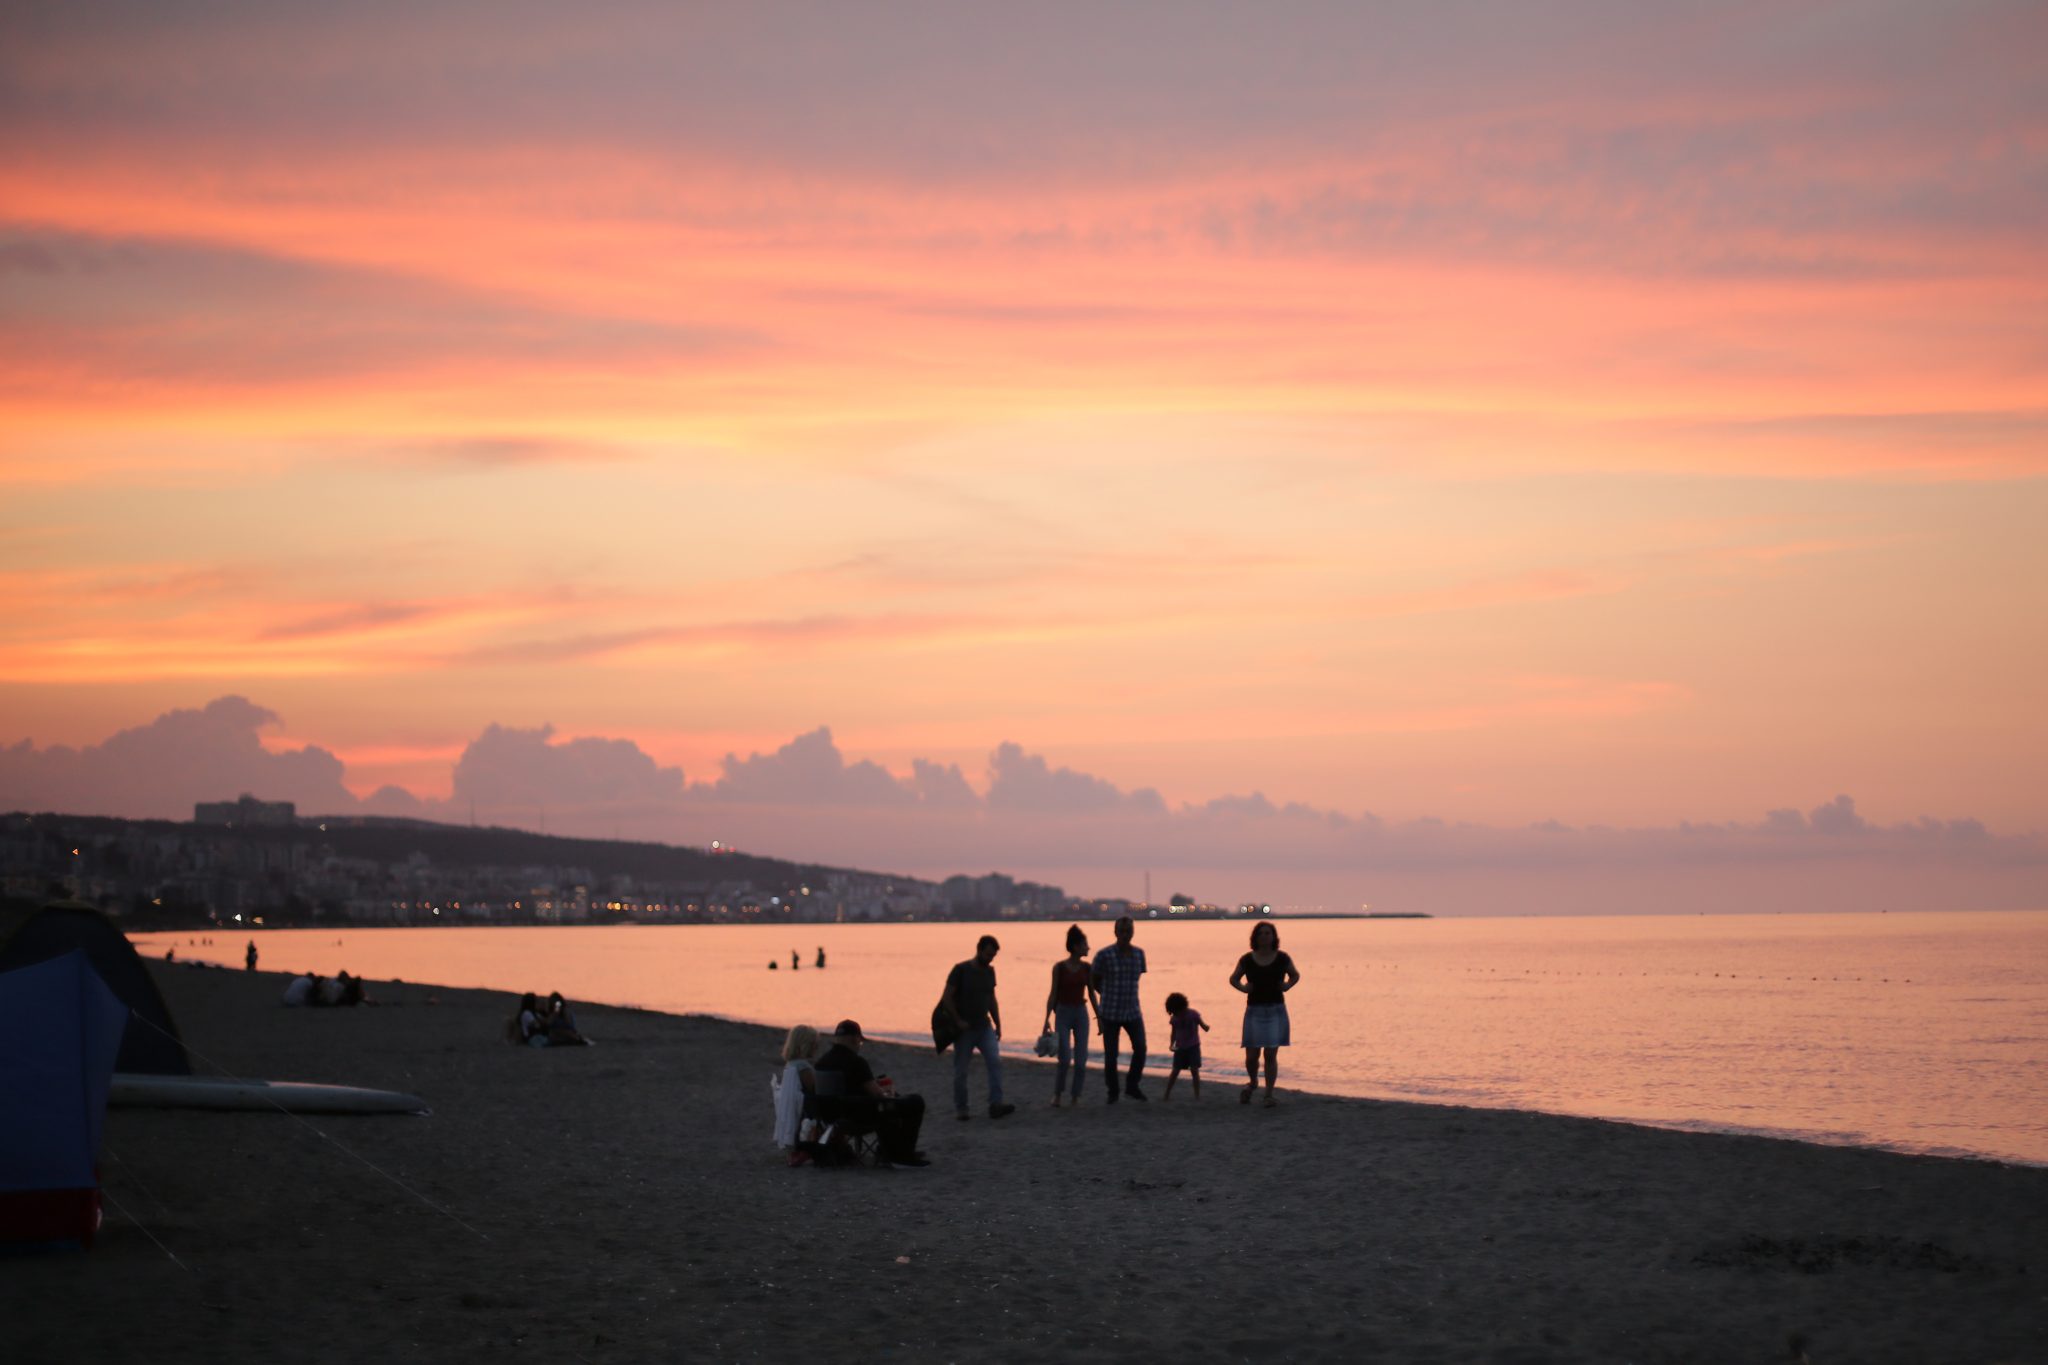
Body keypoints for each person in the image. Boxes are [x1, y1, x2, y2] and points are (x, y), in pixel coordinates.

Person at [812, 1019, 929, 1167]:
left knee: (896, 1103)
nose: (859, 1045)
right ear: (855, 1039)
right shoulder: (856, 1062)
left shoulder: (821, 1062)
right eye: (860, 1042)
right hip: (859, 1117)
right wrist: (888, 1092)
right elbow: (878, 1095)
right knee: (914, 1102)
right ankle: (902, 1155)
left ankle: (894, 1150)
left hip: (830, 1118)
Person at [942, 935, 1015, 1121]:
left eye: (993, 956)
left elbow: (991, 998)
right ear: (979, 950)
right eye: (989, 954)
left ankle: (995, 1104)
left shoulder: (990, 972)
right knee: (961, 1070)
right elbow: (947, 998)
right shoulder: (960, 970)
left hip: (984, 1026)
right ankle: (962, 1108)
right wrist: (958, 1021)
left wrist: (998, 1023)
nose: (990, 958)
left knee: (995, 1062)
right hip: (965, 1030)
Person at [1230, 921, 1301, 1107]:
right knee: (1252, 1057)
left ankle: (1268, 1094)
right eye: (1261, 933)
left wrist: (1287, 985)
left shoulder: (1282, 958)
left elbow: (1295, 975)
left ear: (1274, 937)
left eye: (1268, 933)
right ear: (1255, 937)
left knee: (1270, 1054)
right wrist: (1244, 988)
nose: (1265, 936)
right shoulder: (1247, 959)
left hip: (1275, 1009)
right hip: (1254, 1010)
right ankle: (1253, 1082)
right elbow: (1233, 978)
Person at [1090, 915, 1149, 1102]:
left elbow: (1137, 977)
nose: (1125, 935)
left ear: (1133, 933)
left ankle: (1132, 1085)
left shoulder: (1139, 954)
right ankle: (1113, 1091)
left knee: (1140, 1048)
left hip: (1132, 1010)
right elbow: (1094, 981)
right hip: (1110, 1012)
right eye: (1122, 931)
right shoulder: (1103, 955)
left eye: (1128, 931)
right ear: (1115, 932)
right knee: (1111, 1054)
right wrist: (1105, 993)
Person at [1042, 924, 1093, 1107]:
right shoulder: (1059, 968)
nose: (1088, 947)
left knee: (1081, 1059)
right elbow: (1053, 993)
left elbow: (1092, 994)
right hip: (1063, 1012)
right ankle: (1057, 1094)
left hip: (1081, 1013)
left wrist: (1099, 1018)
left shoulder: (1087, 968)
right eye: (1085, 944)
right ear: (1076, 946)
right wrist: (1046, 1019)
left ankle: (1075, 1096)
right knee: (1064, 1058)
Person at [772, 1024, 821, 1162]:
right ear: (807, 1045)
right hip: (807, 1109)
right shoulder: (803, 1066)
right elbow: (814, 1088)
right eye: (814, 1044)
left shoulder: (790, 1064)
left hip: (794, 1107)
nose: (816, 1048)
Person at [1162, 991, 1210, 1100]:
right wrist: (1171, 1044)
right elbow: (1173, 1033)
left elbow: (1202, 1023)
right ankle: (1167, 1093)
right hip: (1180, 1048)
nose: (1177, 1014)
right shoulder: (1175, 1018)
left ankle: (1197, 1095)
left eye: (1177, 1012)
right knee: (1175, 1071)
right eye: (1174, 1012)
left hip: (1193, 1046)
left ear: (1183, 1006)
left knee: (1194, 1070)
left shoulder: (1193, 1014)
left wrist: (1206, 1027)